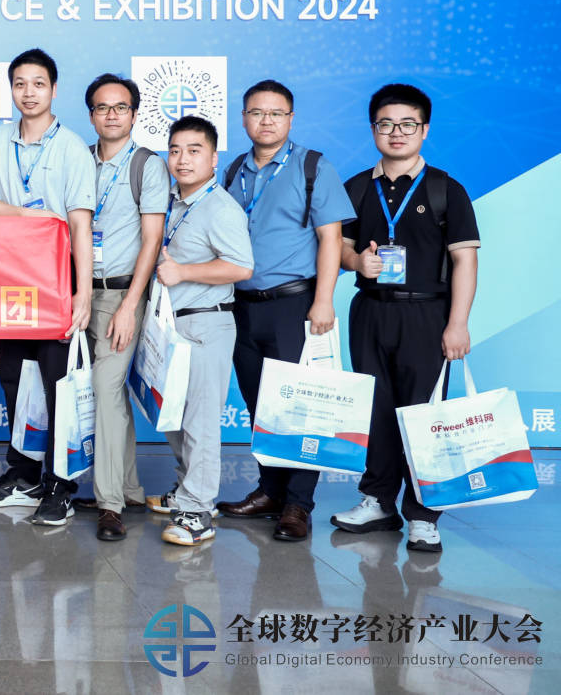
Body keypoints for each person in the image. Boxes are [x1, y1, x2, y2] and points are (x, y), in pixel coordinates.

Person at [333, 83, 479, 554]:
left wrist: (457, 323)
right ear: (373, 128)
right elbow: (339, 248)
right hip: (371, 311)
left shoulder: (445, 189)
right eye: (386, 124)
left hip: (427, 313)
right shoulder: (357, 187)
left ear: (425, 129)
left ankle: (423, 515)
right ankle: (378, 501)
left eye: (407, 124)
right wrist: (357, 262)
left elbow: (465, 260)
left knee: (422, 414)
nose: (396, 132)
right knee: (375, 411)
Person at [218, 80, 353, 543]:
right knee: (259, 406)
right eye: (257, 113)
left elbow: (331, 238)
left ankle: (298, 504)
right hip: (241, 305)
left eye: (276, 113)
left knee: (299, 408)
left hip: (294, 304)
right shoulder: (234, 170)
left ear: (291, 119)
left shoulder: (312, 167)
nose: (266, 121)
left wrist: (323, 300)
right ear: (243, 118)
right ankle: (270, 491)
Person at [0, 48, 95, 527]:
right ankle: (23, 474)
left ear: (54, 90)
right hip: (8, 279)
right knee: (15, 380)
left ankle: (61, 484)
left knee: (56, 384)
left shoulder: (73, 148)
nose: (29, 93)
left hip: (57, 278)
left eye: (38, 84)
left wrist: (83, 292)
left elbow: (80, 224)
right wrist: (33, 215)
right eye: (20, 84)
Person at [143, 115, 254, 546]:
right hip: (172, 326)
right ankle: (185, 490)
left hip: (206, 323)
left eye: (194, 151)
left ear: (213, 158)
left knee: (200, 422)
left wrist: (184, 272)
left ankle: (197, 512)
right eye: (175, 151)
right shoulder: (172, 201)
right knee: (173, 417)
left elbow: (242, 267)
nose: (182, 159)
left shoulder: (220, 207)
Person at [73, 74, 166, 542]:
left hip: (121, 295)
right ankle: (129, 488)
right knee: (111, 395)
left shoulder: (147, 165)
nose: (111, 115)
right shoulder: (77, 160)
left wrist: (131, 304)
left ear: (134, 113)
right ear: (91, 115)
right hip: (80, 293)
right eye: (102, 107)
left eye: (121, 107)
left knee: (106, 387)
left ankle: (108, 504)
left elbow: (152, 239)